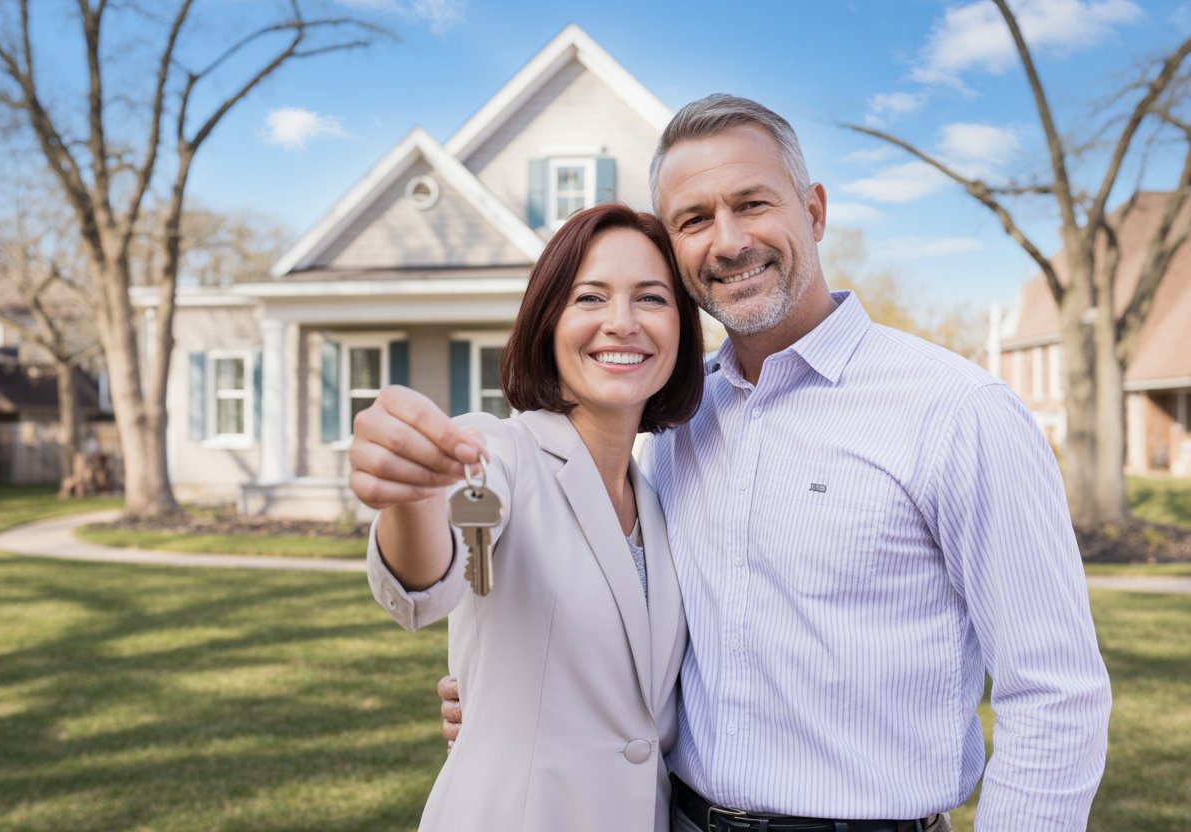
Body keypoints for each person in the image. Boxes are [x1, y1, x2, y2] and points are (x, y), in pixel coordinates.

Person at [440, 95, 1113, 831]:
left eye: (752, 203)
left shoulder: (957, 411)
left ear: (814, 211)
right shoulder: (674, 424)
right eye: (694, 220)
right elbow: (636, 631)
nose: (728, 242)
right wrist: (511, 695)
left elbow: (1055, 692)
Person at [351, 202, 706, 831]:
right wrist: (412, 496)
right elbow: (430, 574)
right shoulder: (498, 451)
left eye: (651, 299)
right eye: (590, 299)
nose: (622, 323)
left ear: (682, 328)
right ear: (548, 322)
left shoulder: (661, 492)